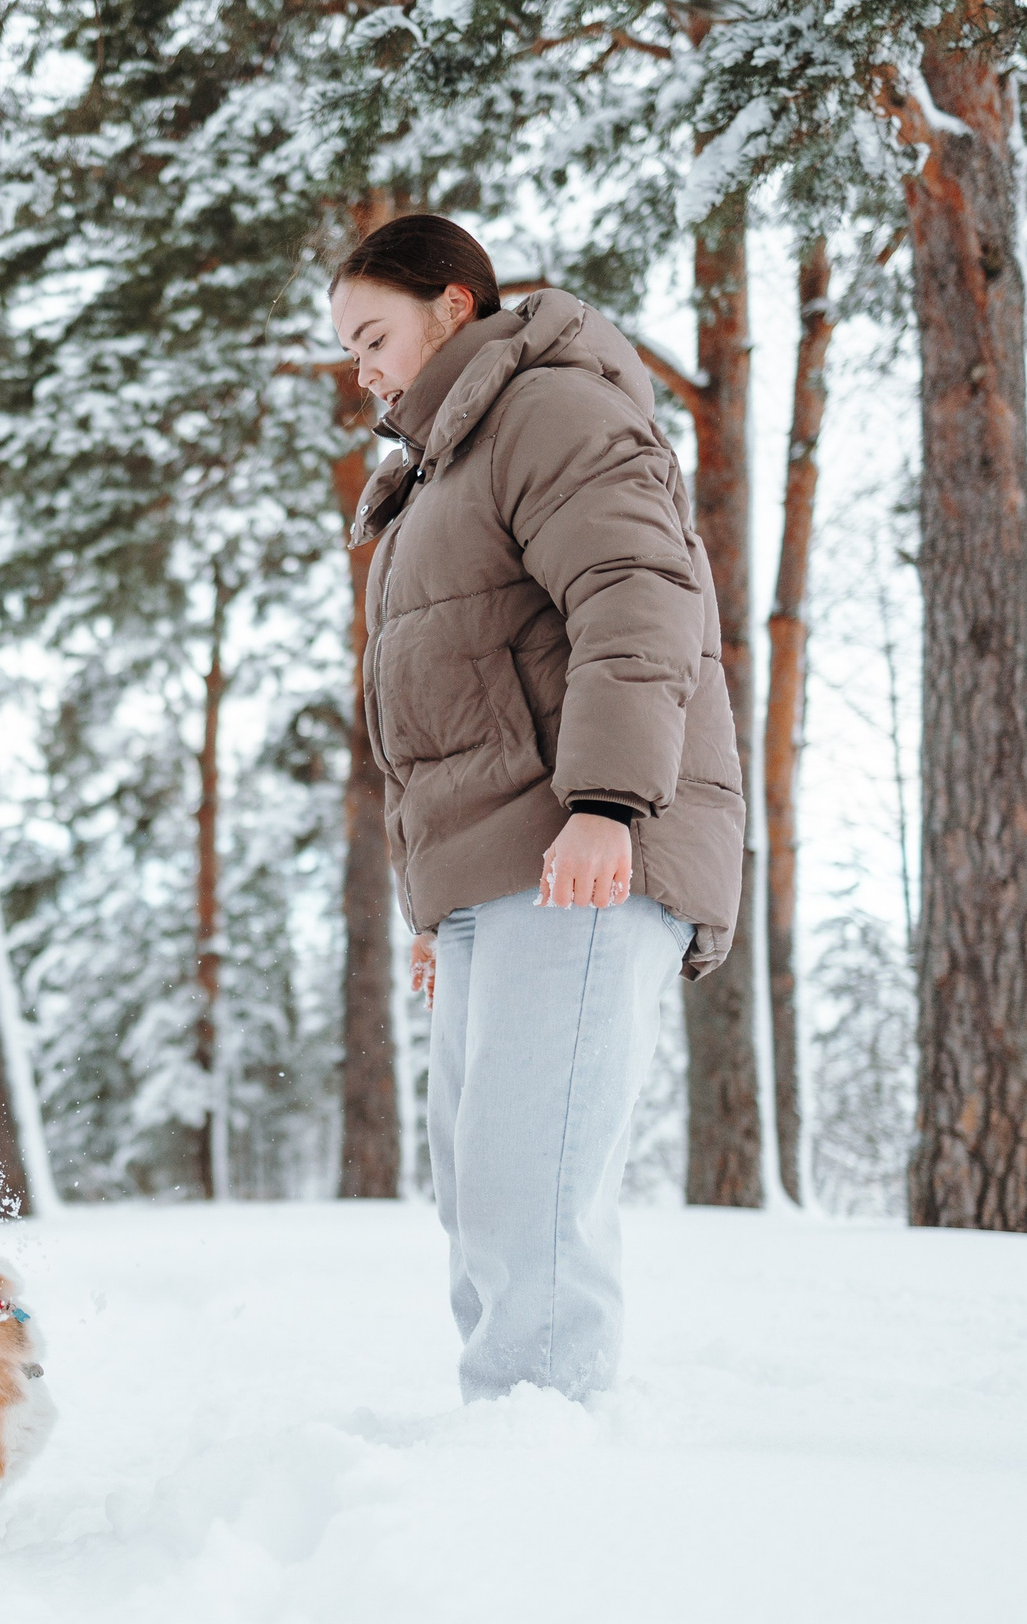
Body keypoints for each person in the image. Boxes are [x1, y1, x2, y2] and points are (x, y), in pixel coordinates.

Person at [331, 214, 743, 1402]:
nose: (361, 368)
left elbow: (637, 600)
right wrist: (436, 903)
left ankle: (543, 1477)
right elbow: (449, 697)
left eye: (374, 334)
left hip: (585, 845)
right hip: (501, 865)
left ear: (452, 306)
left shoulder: (551, 410)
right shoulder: (441, 466)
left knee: (532, 1184)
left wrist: (608, 803)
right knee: (476, 1186)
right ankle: (504, 1431)